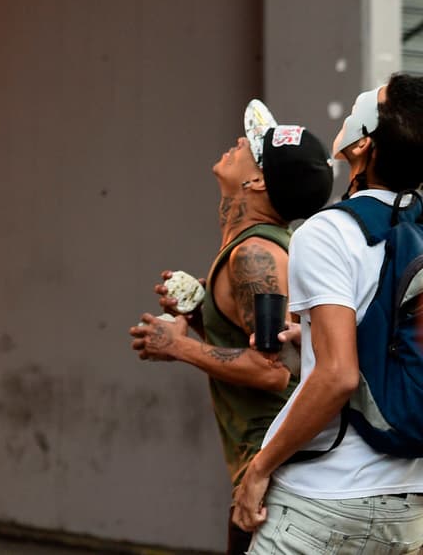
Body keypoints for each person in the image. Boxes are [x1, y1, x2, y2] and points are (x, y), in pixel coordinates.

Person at [129, 100, 333, 555]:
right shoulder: (259, 248)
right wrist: (205, 315)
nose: (240, 140)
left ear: (257, 180)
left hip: (279, 481)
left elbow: (273, 370)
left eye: (252, 146)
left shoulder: (255, 256)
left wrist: (177, 347)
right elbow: (269, 345)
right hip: (279, 477)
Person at [232, 75, 423, 552]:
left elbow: (338, 376)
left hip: (324, 499)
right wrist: (312, 334)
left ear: (362, 145)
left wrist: (259, 469)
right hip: (409, 504)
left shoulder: (329, 232)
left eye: (373, 99)